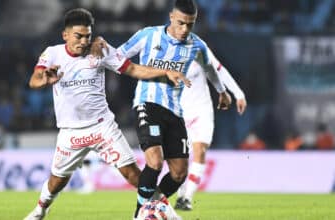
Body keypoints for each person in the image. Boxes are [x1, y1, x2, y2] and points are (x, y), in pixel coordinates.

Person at [23, 8, 190, 220]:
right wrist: (44, 80)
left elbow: (133, 69)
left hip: (103, 127)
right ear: (65, 35)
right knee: (57, 181)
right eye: (78, 36)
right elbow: (34, 80)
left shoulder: (100, 50)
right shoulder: (52, 53)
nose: (84, 41)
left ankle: (164, 212)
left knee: (133, 175)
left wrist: (164, 72)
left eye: (87, 36)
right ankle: (40, 210)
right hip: (70, 132)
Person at [116, 0, 232, 218]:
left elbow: (209, 68)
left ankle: (154, 206)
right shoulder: (148, 35)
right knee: (155, 162)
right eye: (180, 23)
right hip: (147, 103)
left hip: (175, 110)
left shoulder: (196, 45)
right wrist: (100, 50)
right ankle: (139, 214)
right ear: (171, 17)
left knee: (179, 173)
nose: (185, 29)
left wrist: (222, 91)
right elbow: (118, 57)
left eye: (190, 24)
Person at [175, 59, 247, 210]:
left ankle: (187, 198)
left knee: (199, 150)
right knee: (180, 158)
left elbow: (219, 69)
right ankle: (180, 195)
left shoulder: (198, 48)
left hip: (202, 110)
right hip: (179, 112)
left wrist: (238, 94)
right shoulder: (163, 50)